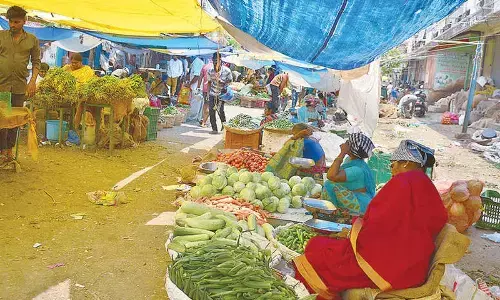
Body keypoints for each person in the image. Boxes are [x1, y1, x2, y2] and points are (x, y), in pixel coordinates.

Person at [294, 140, 447, 300]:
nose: (392, 170)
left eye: (392, 165)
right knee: (326, 246)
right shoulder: (427, 184)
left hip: (390, 268)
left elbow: (377, 224)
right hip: (415, 266)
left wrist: (353, 231)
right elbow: (435, 220)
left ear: (406, 162)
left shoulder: (402, 182)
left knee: (315, 249)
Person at [0, 6, 41, 163]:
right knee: (2, 119)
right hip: (1, 85)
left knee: (14, 120)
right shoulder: (1, 36)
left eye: (16, 22)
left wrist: (32, 82)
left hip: (19, 86)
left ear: (25, 21)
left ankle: (9, 151)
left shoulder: (32, 40)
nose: (12, 25)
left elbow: (36, 62)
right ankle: (2, 150)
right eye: (10, 22)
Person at [323, 133, 376, 214]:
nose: (344, 143)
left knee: (329, 185)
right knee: (331, 183)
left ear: (351, 148)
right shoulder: (350, 160)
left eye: (347, 142)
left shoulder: (357, 170)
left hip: (360, 203)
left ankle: (330, 212)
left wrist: (342, 153)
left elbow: (331, 176)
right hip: (354, 197)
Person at [207, 52, 232, 134]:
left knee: (220, 111)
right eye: (214, 61)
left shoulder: (227, 71)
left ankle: (224, 126)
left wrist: (222, 82)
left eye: (217, 61)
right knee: (211, 111)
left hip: (222, 95)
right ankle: (214, 129)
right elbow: (209, 82)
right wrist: (208, 94)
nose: (215, 63)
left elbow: (230, 82)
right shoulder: (210, 71)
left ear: (220, 61)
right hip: (212, 94)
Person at [186, 56, 204, 122]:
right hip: (197, 86)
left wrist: (189, 84)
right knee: (197, 103)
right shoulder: (197, 62)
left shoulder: (197, 62)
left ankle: (193, 118)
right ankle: (197, 118)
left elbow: (197, 76)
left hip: (196, 87)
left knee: (195, 102)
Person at [197, 60, 213, 127]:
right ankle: (204, 122)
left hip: (205, 89)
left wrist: (198, 86)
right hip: (212, 89)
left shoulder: (205, 66)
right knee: (210, 106)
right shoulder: (216, 68)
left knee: (205, 104)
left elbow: (200, 77)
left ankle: (203, 119)